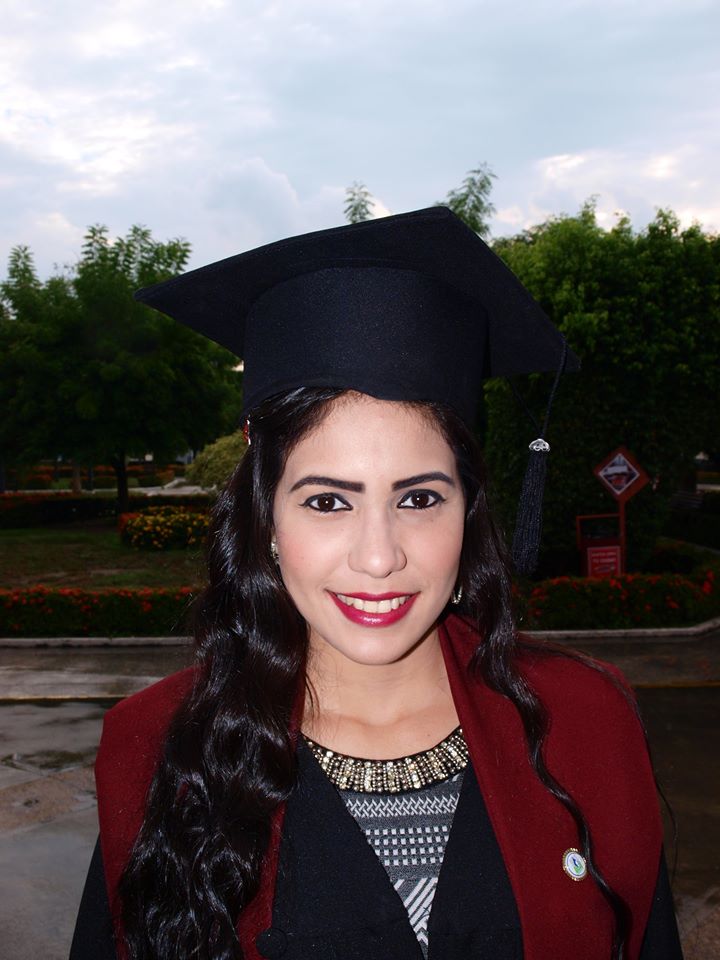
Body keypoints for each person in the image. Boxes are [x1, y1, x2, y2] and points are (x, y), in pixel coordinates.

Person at [70, 207, 683, 960]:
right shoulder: (160, 747)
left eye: (419, 498)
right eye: (328, 502)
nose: (379, 556)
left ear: (468, 510)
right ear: (266, 518)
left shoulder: (587, 722)